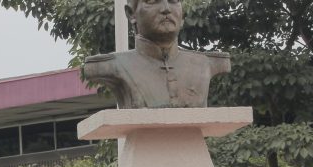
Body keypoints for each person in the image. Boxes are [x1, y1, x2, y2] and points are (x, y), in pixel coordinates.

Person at [82, 0, 230, 109]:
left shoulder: (206, 64)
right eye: (152, 1)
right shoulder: (109, 66)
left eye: (173, 1)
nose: (166, 9)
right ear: (131, 14)